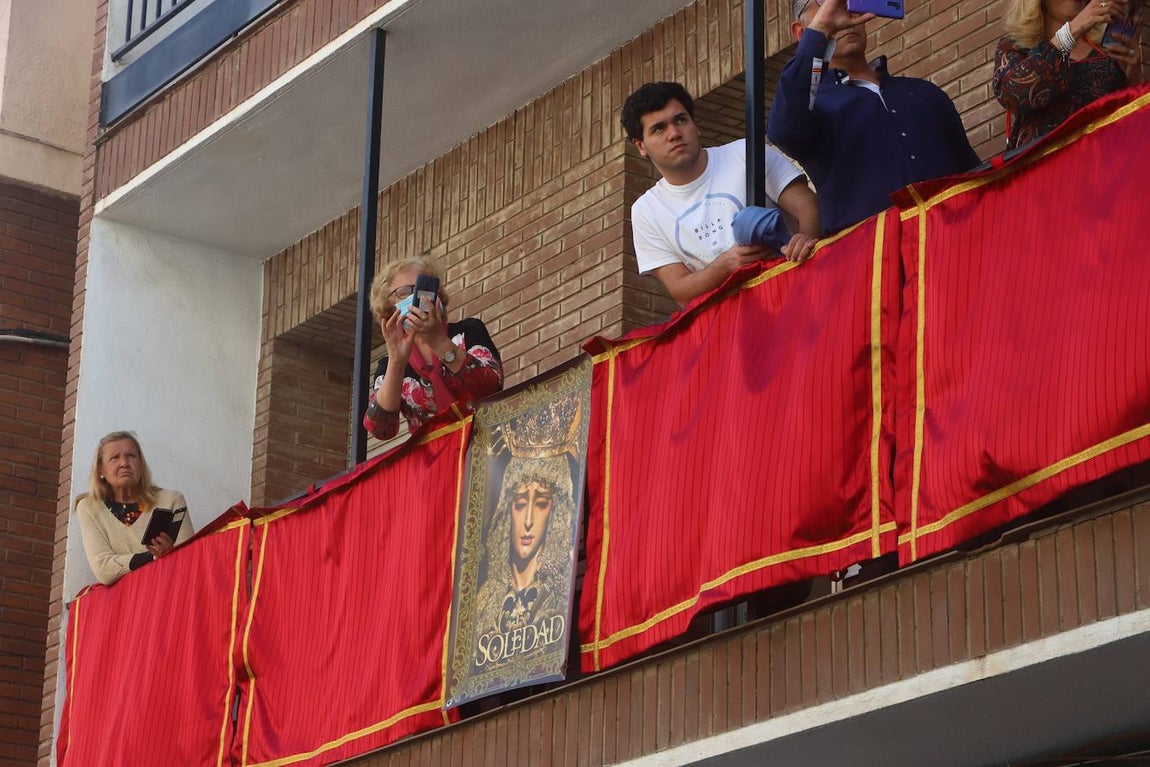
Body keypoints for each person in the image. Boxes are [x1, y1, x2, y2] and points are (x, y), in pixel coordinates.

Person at [768, 0, 981, 234]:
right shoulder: (812, 108)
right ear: (801, 32)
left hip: (955, 241)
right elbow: (783, 131)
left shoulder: (924, 93)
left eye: (848, 2)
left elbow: (974, 175)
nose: (844, 10)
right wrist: (822, 30)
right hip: (873, 252)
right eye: (827, 2)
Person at [621, 81, 822, 307]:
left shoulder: (746, 153)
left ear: (695, 126)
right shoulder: (646, 211)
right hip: (735, 320)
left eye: (681, 120)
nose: (674, 133)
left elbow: (808, 205)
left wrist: (805, 240)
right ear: (641, 146)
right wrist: (726, 264)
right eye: (659, 128)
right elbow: (681, 292)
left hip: (799, 292)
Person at [363, 255, 503, 440]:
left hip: (484, 445)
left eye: (422, 288)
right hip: (435, 455)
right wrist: (396, 361)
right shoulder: (389, 366)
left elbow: (491, 387)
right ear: (389, 308)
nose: (415, 297)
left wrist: (439, 343)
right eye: (404, 291)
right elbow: (381, 429)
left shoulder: (468, 331)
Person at [993, 0, 1143, 150]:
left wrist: (1134, 72)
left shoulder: (1104, 49)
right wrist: (1071, 31)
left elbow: (1134, 118)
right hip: (1050, 160)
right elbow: (1012, 94)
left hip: (1107, 157)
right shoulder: (1017, 46)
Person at [475, 455, 577, 642]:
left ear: (555, 513)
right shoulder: (483, 605)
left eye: (541, 504)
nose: (528, 521)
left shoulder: (561, 596)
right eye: (520, 505)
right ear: (508, 511)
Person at [75, 431, 195, 585]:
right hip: (126, 598)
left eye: (131, 456)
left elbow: (191, 559)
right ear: (101, 470)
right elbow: (103, 569)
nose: (124, 463)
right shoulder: (89, 508)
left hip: (168, 590)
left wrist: (171, 553)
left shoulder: (171, 500)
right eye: (114, 458)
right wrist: (153, 556)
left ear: (141, 464)